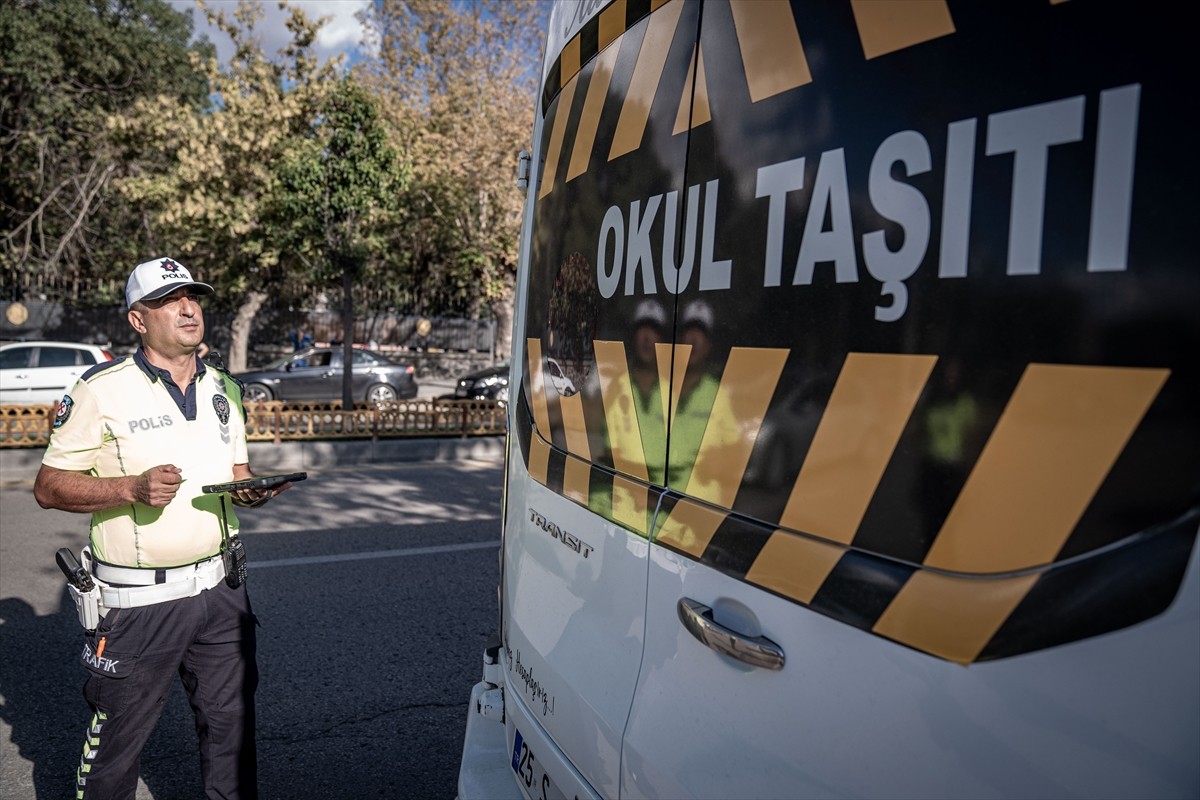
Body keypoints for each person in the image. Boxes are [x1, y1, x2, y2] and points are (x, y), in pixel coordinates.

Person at [34, 256, 287, 799]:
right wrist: (129, 488)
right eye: (170, 300)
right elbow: (49, 486)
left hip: (222, 594)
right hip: (138, 604)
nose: (188, 308)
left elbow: (235, 471)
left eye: (192, 296)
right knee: (114, 750)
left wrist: (251, 489)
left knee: (231, 734)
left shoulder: (225, 387)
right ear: (138, 319)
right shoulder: (100, 388)